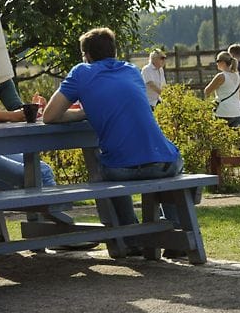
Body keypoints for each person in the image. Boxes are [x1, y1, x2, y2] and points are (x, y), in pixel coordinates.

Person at [42, 27, 183, 238]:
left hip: (119, 169)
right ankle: (174, 231)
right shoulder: (132, 70)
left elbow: (49, 116)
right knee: (171, 158)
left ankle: (129, 234)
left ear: (86, 55)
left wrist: (83, 113)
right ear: (114, 51)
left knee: (105, 168)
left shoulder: (81, 72)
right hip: (163, 164)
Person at [204, 51, 240, 129]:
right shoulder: (237, 75)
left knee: (220, 139)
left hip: (223, 112)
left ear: (223, 62)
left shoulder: (221, 76)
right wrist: (233, 98)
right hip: (237, 111)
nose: (216, 63)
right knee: (235, 139)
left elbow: (207, 91)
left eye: (217, 61)